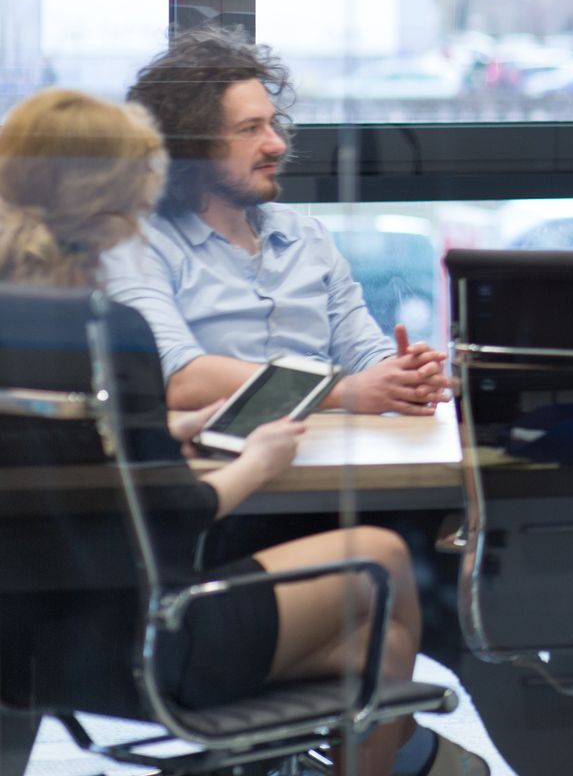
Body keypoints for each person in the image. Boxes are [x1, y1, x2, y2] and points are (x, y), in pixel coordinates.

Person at [0, 89, 428, 775]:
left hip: (27, 646)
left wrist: (164, 426)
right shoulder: (108, 331)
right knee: (379, 561)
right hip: (149, 642)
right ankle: (406, 753)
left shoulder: (21, 315)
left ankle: (356, 748)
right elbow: (173, 511)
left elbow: (52, 459)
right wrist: (257, 457)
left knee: (362, 650)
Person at [98, 27, 451, 412]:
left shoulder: (305, 236)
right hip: (222, 459)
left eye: (272, 123)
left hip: (329, 449)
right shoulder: (139, 244)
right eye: (250, 129)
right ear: (190, 147)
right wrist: (342, 393)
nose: (277, 144)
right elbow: (179, 378)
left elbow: (363, 350)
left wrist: (401, 375)